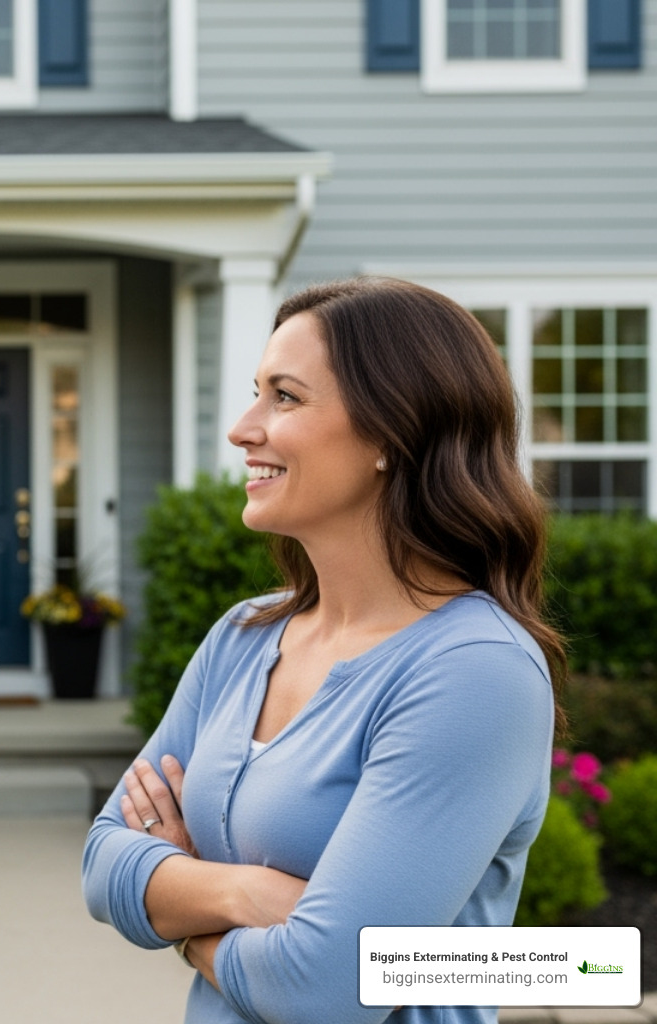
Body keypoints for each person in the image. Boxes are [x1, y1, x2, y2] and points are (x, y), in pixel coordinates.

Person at [83, 277, 563, 1024]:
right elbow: (102, 862)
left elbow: (326, 990)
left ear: (391, 435)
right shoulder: (244, 637)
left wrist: (182, 902)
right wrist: (249, 894)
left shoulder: (475, 671)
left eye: (285, 397)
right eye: (256, 394)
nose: (243, 429)